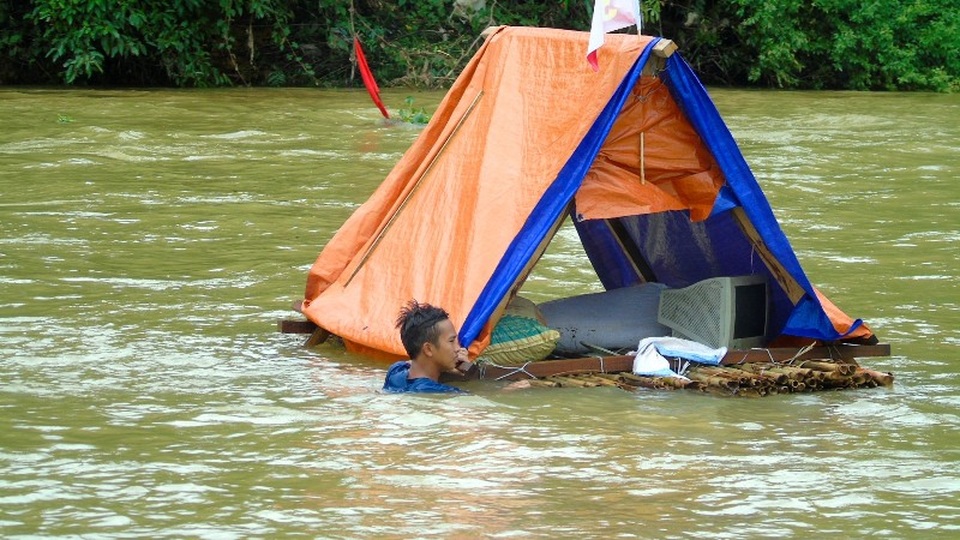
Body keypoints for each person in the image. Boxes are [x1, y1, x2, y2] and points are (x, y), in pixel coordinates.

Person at [382, 300, 472, 393]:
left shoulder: (395, 370)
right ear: (428, 349)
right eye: (451, 341)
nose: (458, 348)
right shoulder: (438, 392)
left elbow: (414, 363)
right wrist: (469, 369)